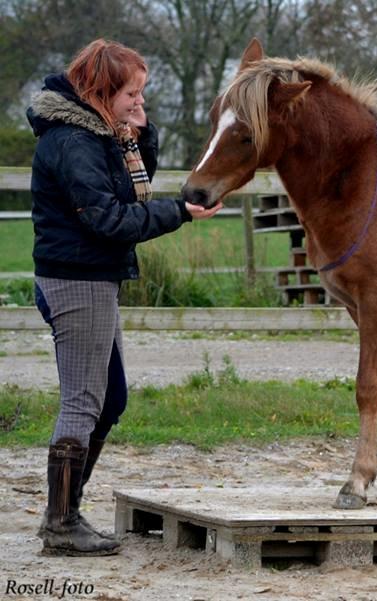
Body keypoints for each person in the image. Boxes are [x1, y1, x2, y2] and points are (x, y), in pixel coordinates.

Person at [27, 39, 223, 556]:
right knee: (84, 401)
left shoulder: (102, 136)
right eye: (131, 93)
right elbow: (110, 218)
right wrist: (179, 213)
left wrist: (143, 131)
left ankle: (66, 513)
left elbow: (129, 188)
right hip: (78, 281)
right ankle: (61, 523)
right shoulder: (74, 143)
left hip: (94, 279)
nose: (139, 101)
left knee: (111, 399)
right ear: (100, 91)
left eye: (141, 92)